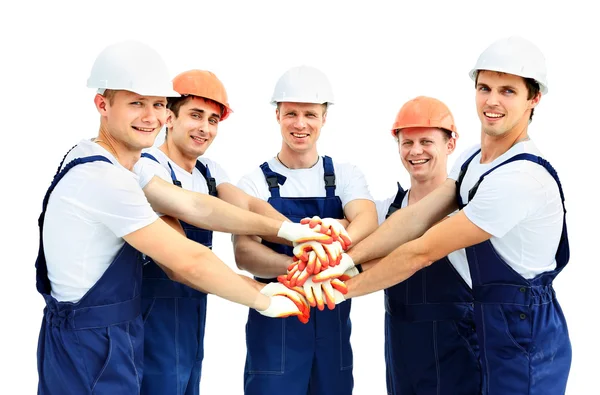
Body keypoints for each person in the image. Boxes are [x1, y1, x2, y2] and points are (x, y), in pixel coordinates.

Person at [35, 41, 327, 395]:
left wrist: (289, 230)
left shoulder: (125, 166)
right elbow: (186, 261)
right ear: (102, 104)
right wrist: (267, 297)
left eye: (157, 104)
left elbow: (196, 206)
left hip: (115, 333)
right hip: (93, 342)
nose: (151, 116)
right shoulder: (106, 179)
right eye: (136, 103)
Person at [314, 36, 571, 395]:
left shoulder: (519, 178)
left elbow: (422, 250)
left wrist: (337, 290)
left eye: (508, 91)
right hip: (492, 324)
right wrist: (345, 262)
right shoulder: (472, 158)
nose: (492, 101)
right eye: (484, 87)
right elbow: (417, 218)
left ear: (534, 98)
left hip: (526, 334)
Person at [133, 69, 310, 395]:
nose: (205, 128)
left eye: (213, 120)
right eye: (195, 115)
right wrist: (258, 294)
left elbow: (250, 207)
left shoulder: (209, 171)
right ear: (169, 117)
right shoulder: (147, 167)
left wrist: (301, 234)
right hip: (151, 317)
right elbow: (179, 265)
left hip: (193, 314)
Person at [233, 65, 378, 395]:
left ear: (324, 117)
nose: (300, 124)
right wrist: (303, 270)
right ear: (277, 115)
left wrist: (337, 233)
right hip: (276, 324)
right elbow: (244, 253)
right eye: (291, 113)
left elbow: (367, 222)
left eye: (310, 114)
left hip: (333, 328)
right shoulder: (253, 182)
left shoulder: (345, 175)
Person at [376, 96, 481, 394]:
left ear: (450, 144)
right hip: (401, 351)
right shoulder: (386, 212)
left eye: (426, 141)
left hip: (457, 350)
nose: (415, 151)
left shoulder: (469, 212)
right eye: (407, 142)